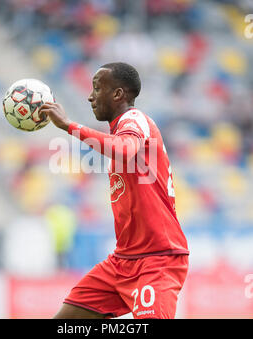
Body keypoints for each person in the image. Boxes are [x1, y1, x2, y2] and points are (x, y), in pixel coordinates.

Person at [39, 62, 189, 319]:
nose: (90, 96)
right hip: (122, 261)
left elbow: (123, 149)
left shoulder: (135, 119)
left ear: (118, 94)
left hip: (157, 259)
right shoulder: (119, 130)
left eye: (97, 88)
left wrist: (69, 126)